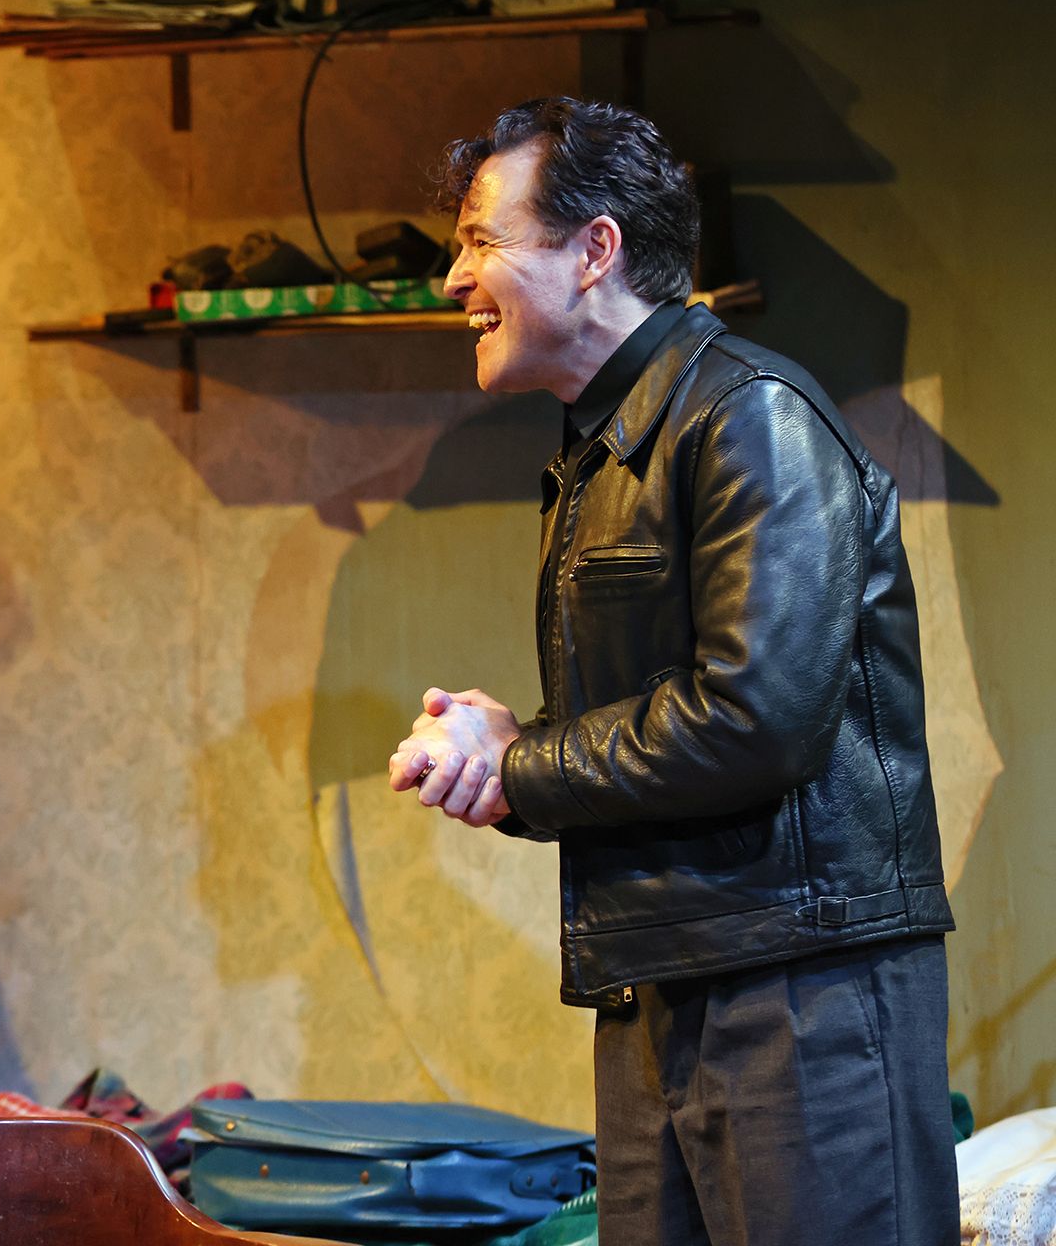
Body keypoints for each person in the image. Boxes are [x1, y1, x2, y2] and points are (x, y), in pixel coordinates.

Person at [386, 98, 956, 1243]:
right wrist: (504, 757)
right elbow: (661, 722)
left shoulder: (750, 415)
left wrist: (521, 759)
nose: (454, 279)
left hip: (801, 983)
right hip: (663, 976)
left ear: (595, 250)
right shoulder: (602, 447)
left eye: (482, 240)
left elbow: (754, 719)